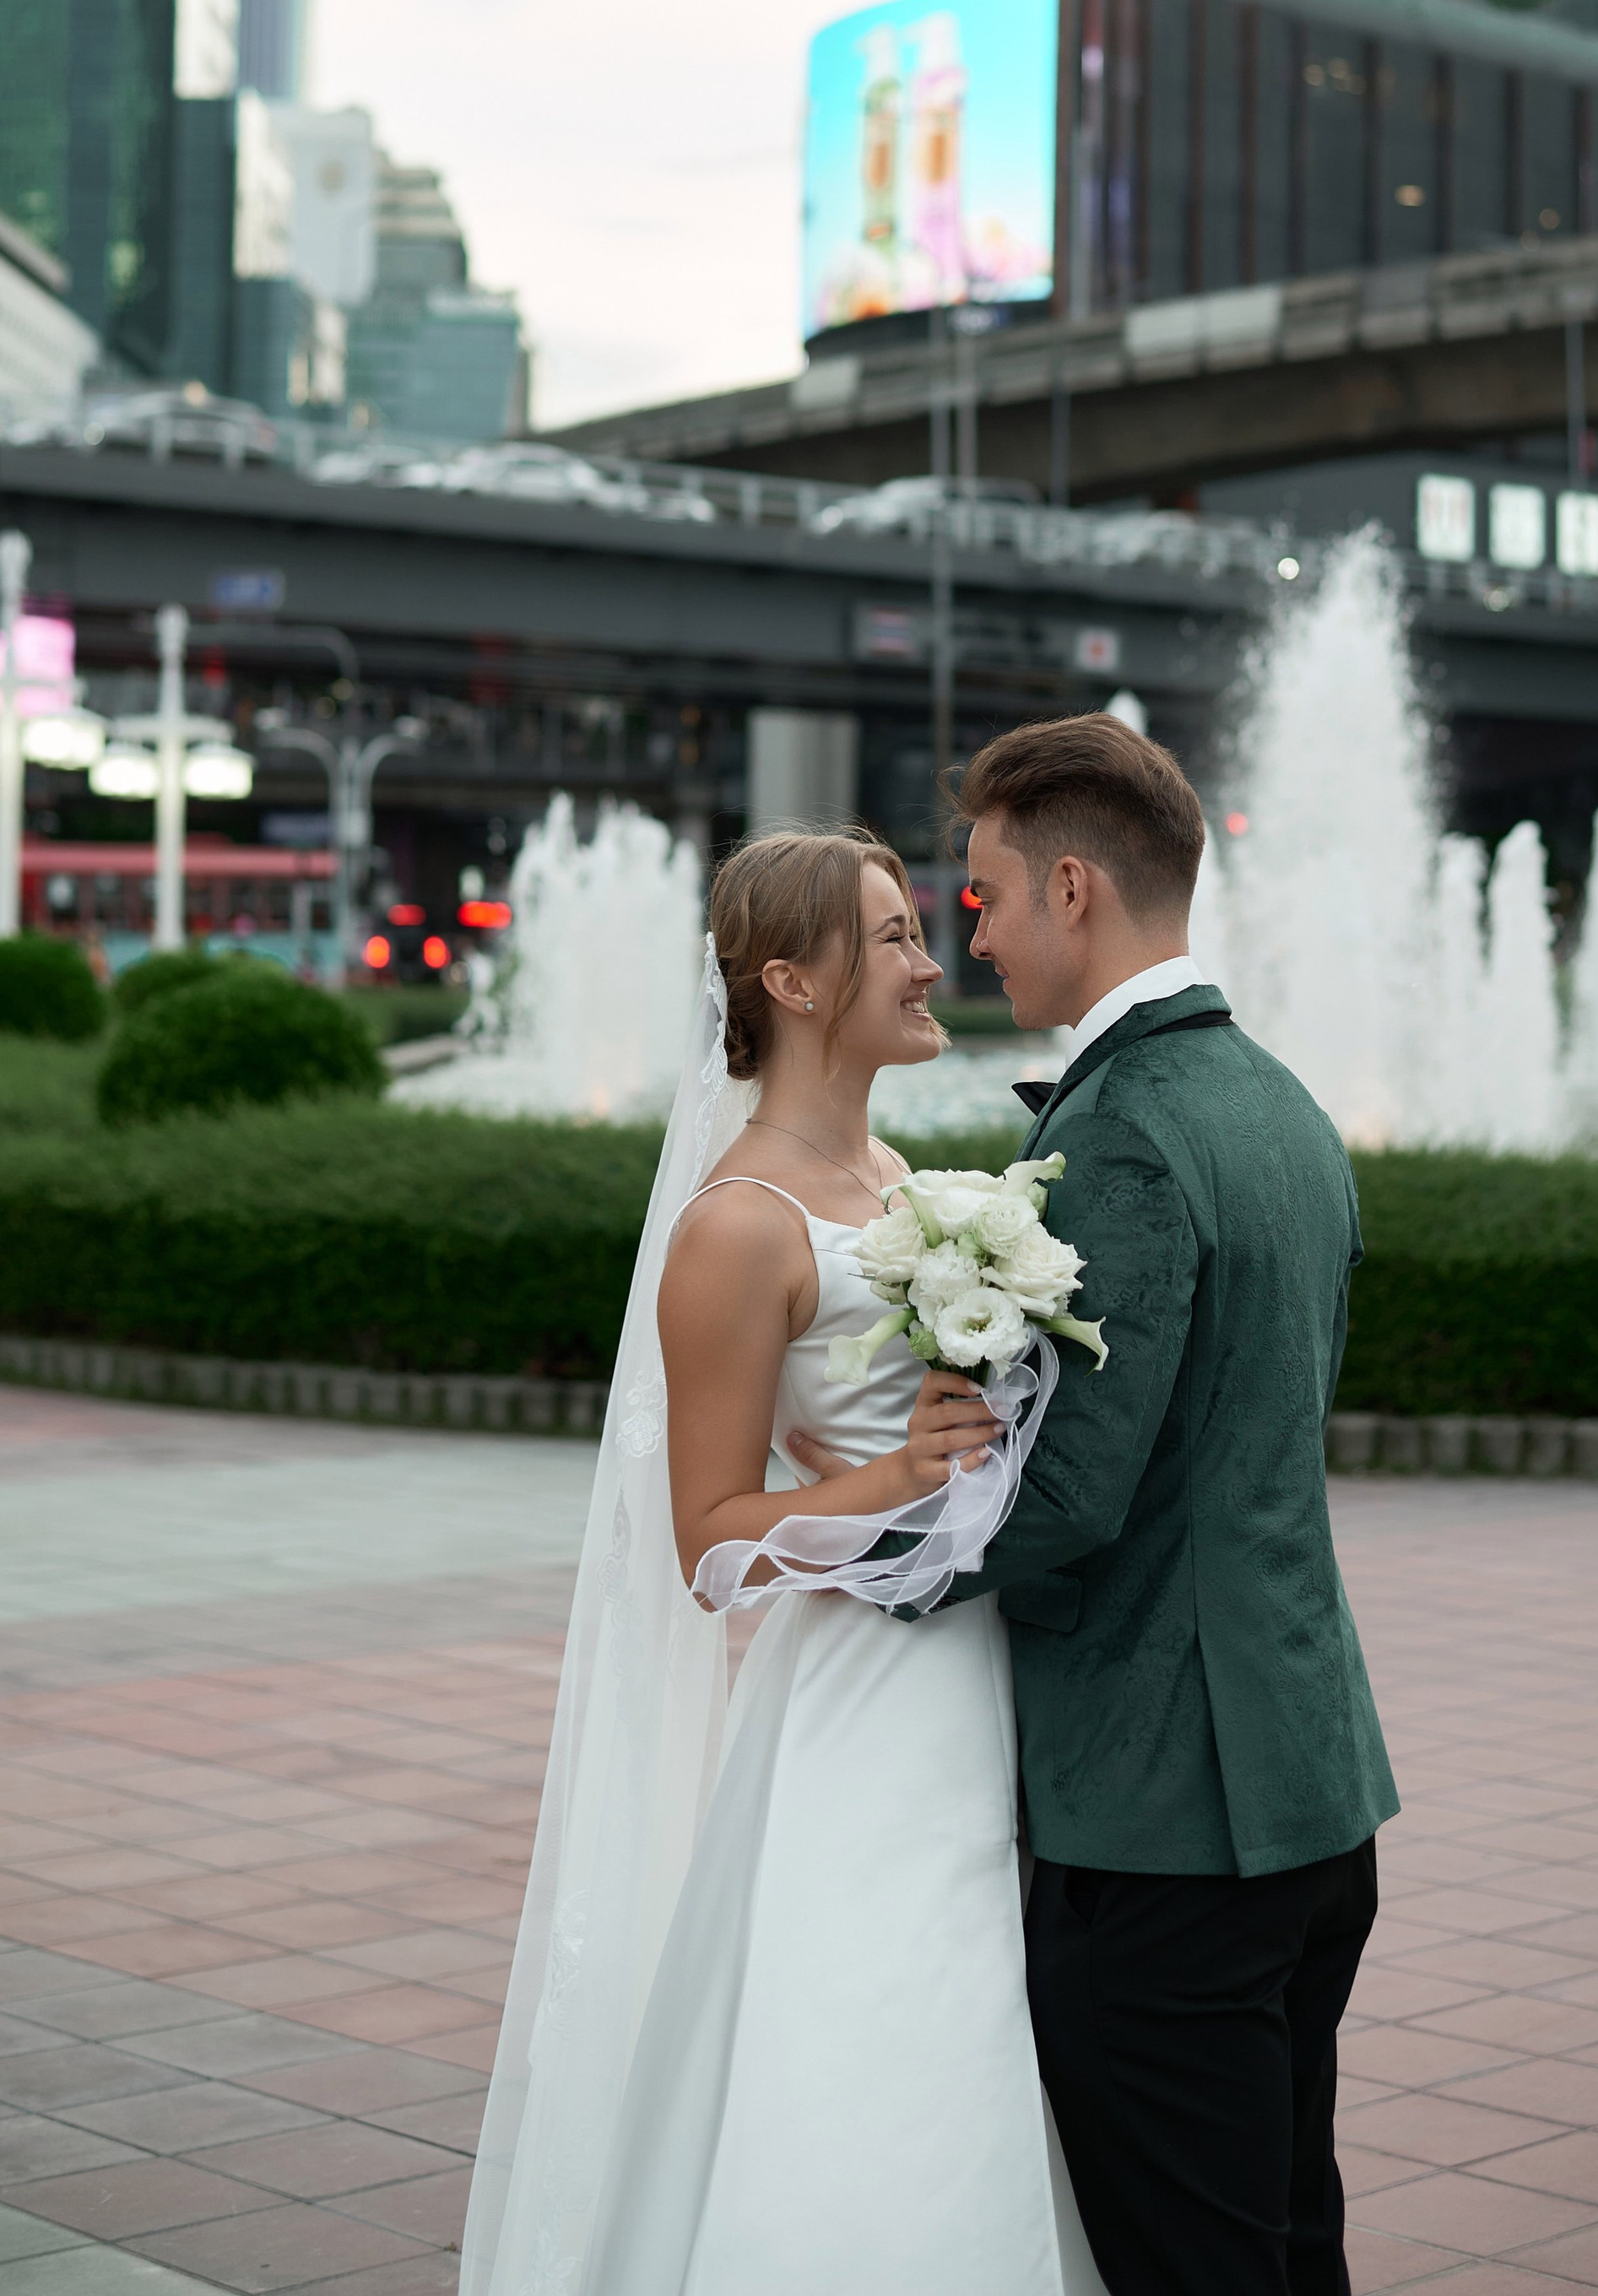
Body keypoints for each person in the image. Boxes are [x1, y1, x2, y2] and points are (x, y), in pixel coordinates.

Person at [459, 827, 1106, 2296]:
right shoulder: (738, 1229)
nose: (932, 960)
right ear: (792, 982)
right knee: (894, 2019)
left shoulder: (894, 1172)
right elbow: (701, 1543)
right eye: (891, 937)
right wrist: (891, 1478)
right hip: (865, 1702)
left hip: (984, 1667)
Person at [863, 717, 1398, 2296]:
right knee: (1287, 2237)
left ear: (1075, 888)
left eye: (986, 894)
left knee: (1200, 2265)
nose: (973, 928)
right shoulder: (1282, 1107)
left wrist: (860, 1560)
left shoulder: (1125, 1136)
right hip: (1307, 1781)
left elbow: (1074, 1492)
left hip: (1169, 1825)